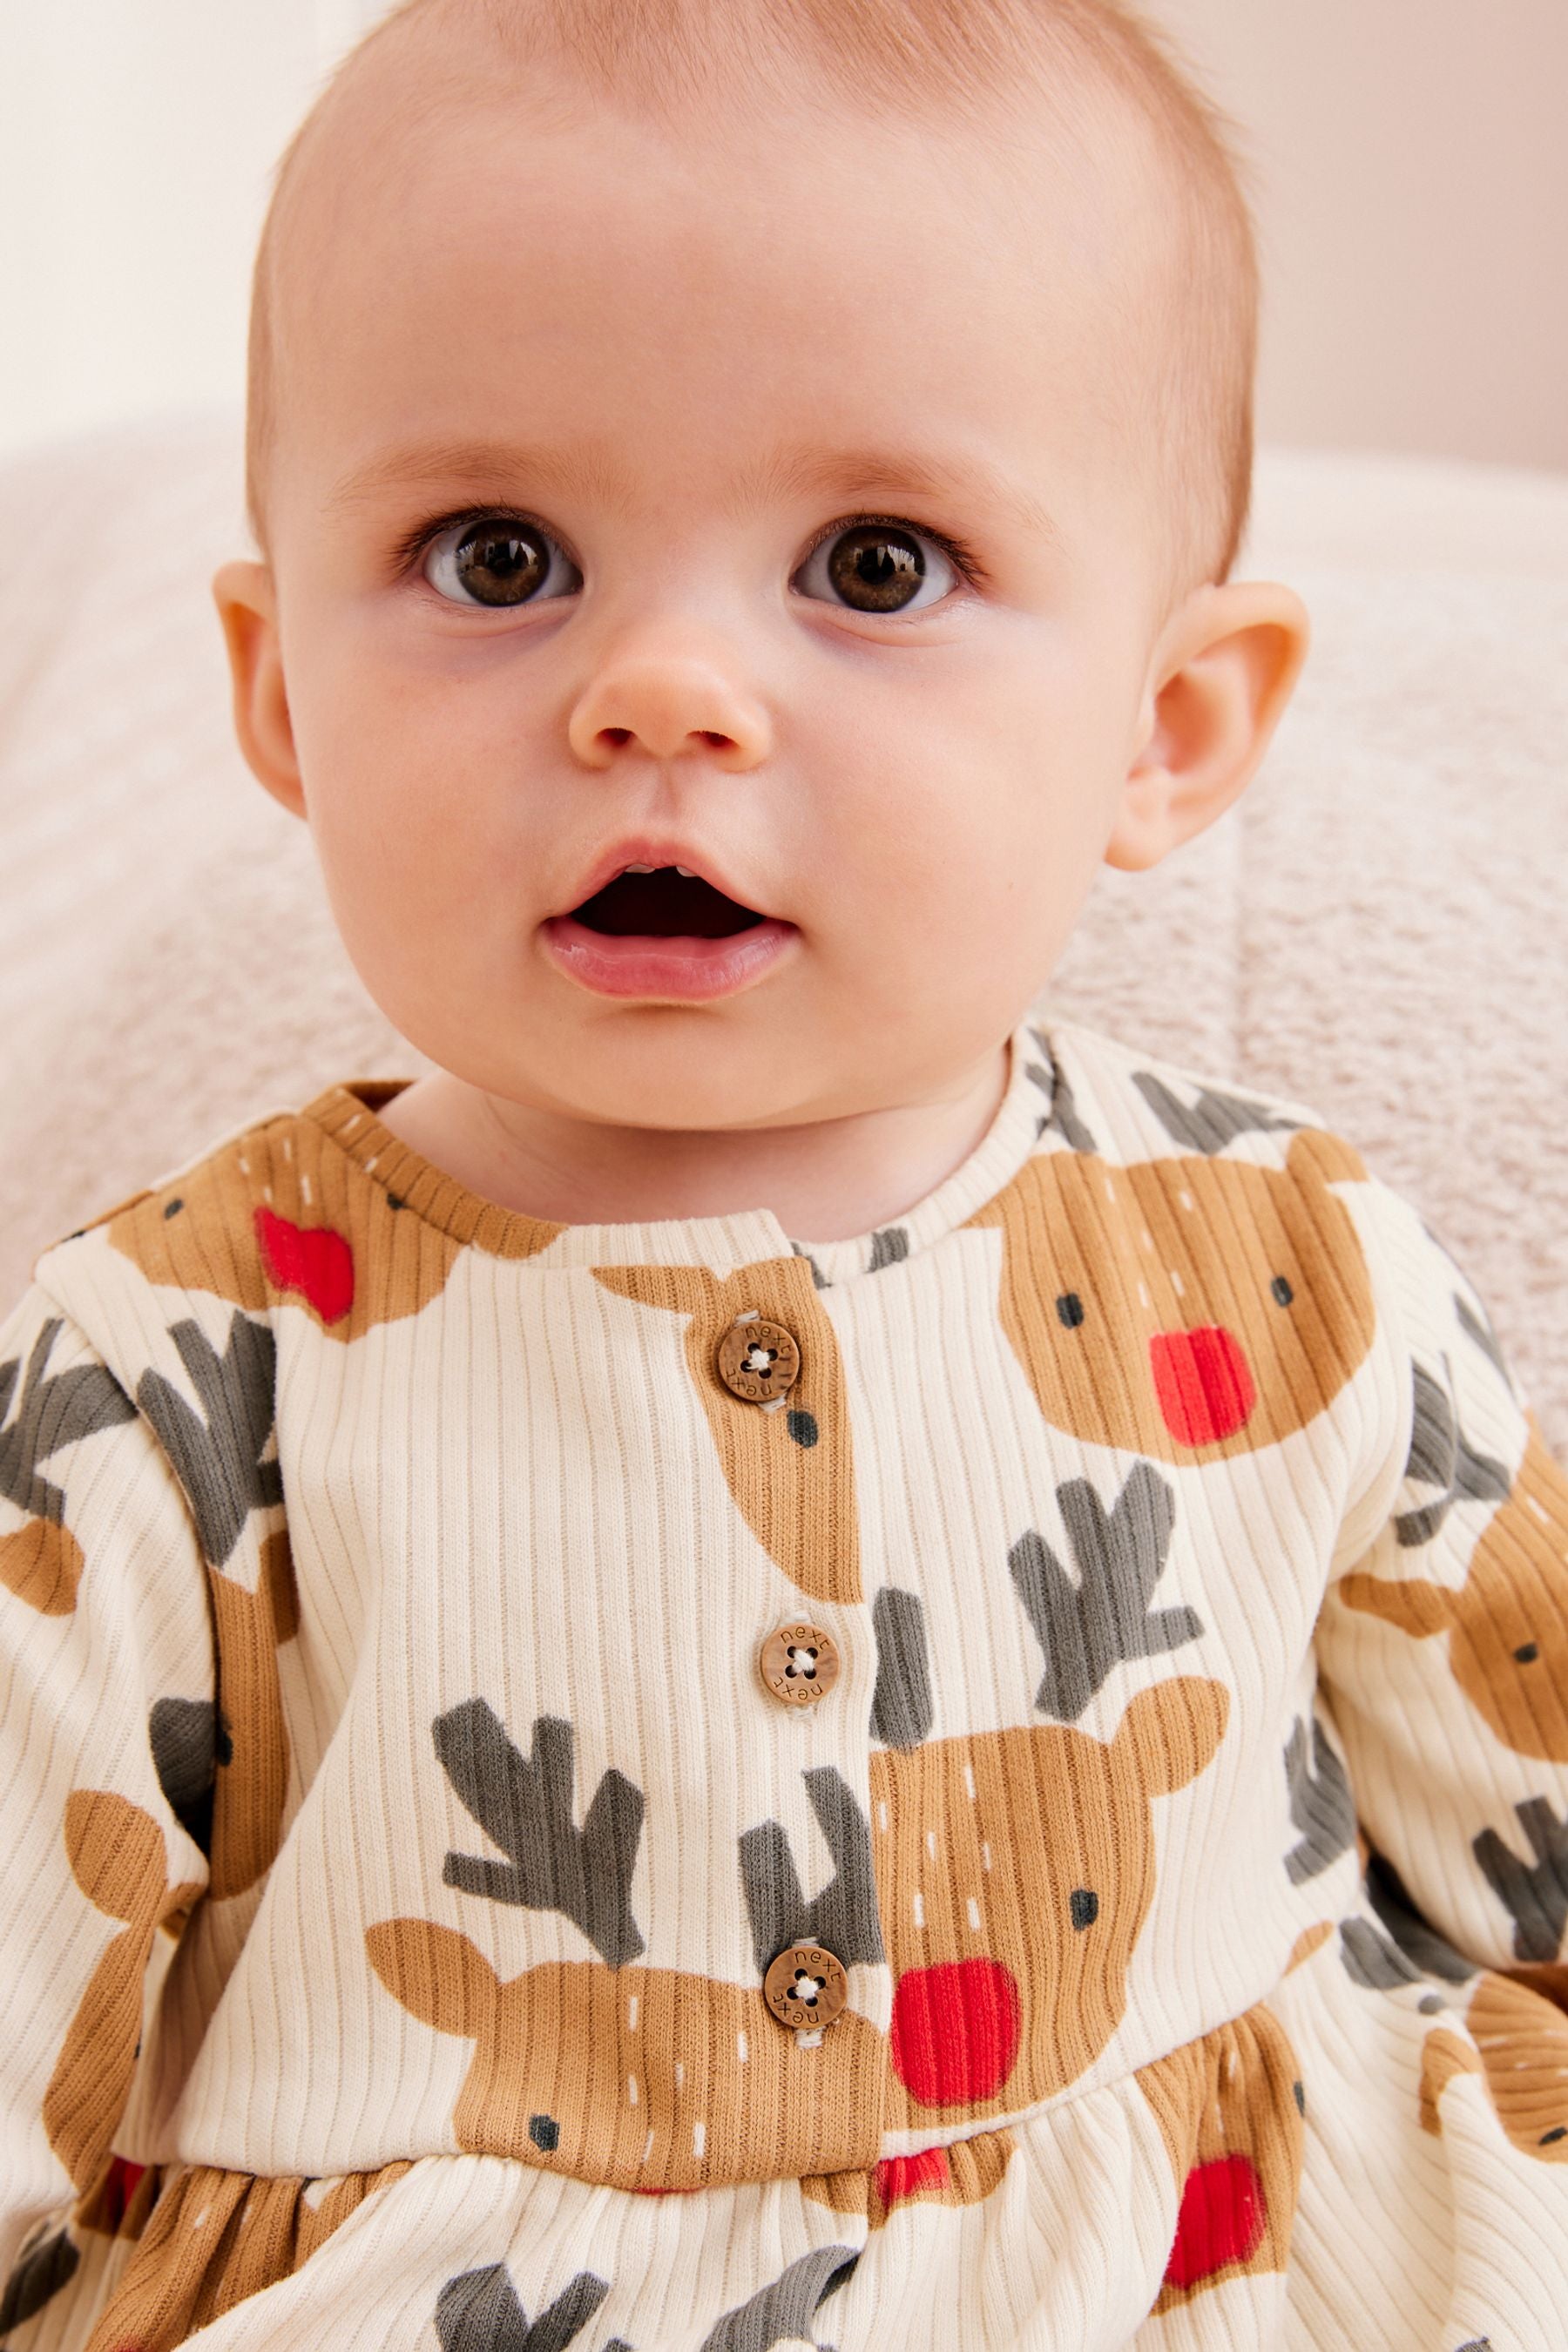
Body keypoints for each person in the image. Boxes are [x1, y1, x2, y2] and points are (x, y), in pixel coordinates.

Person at [2, 1, 1565, 2344]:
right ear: (280, 699)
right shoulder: (167, 1374)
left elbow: (1529, 1826)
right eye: (499, 551)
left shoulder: (1291, 1277)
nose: (663, 691)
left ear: (1167, 728)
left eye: (876, 561)